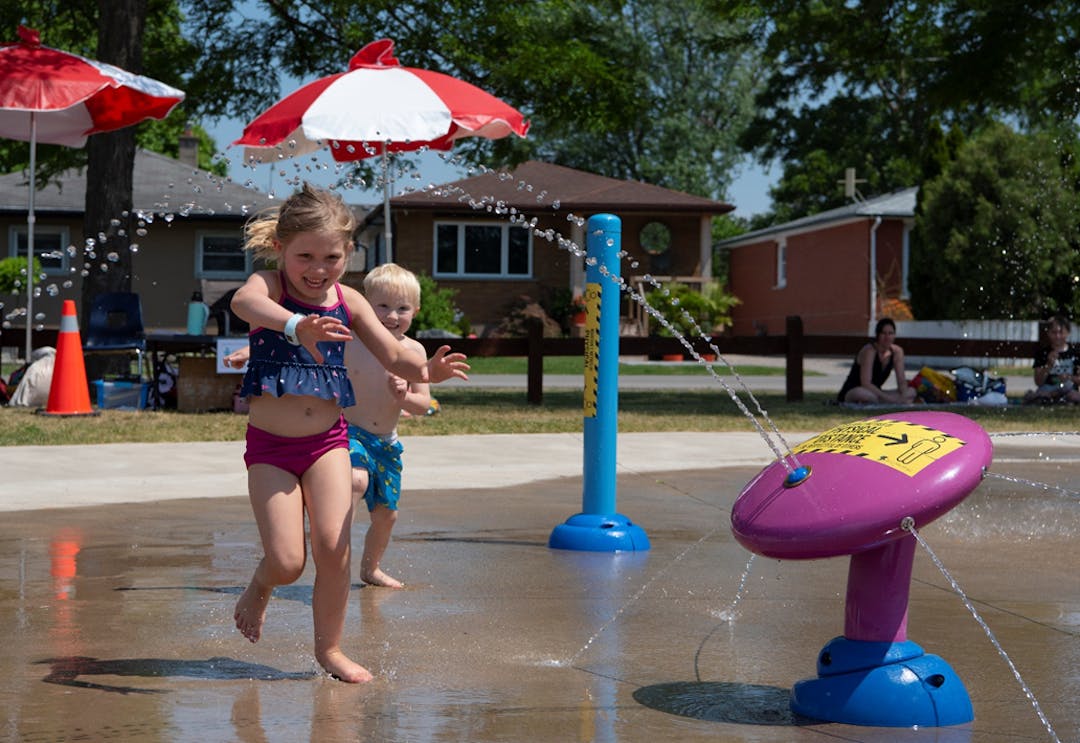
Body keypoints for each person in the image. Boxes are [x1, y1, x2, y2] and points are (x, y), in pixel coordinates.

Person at [229, 183, 468, 684]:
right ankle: (260, 584)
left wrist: (428, 372)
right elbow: (242, 304)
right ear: (281, 250)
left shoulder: (349, 300)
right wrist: (297, 325)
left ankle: (331, 650)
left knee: (335, 549)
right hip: (272, 451)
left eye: (332, 256)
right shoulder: (270, 287)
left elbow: (396, 353)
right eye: (306, 256)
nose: (318, 269)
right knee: (288, 561)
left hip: (328, 444)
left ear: (350, 253)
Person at [344, 263, 434, 589]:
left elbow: (424, 405)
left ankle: (371, 569)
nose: (392, 315)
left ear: (416, 311)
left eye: (402, 308)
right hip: (348, 431)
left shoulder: (414, 351)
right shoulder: (352, 341)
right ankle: (335, 557)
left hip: (386, 442)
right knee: (355, 480)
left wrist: (404, 396)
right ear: (366, 306)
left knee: (386, 516)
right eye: (382, 306)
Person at [837, 317, 917, 405]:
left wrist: (904, 395)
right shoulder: (869, 350)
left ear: (894, 335)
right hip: (856, 391)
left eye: (890, 333)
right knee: (866, 395)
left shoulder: (897, 351)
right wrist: (891, 399)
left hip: (877, 393)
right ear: (877, 335)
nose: (887, 337)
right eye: (883, 333)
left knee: (911, 391)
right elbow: (866, 383)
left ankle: (888, 401)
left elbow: (901, 381)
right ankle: (888, 401)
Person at [1023, 314, 1080, 404]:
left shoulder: (1076, 353)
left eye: (1061, 332)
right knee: (1042, 394)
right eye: (1054, 332)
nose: (1058, 336)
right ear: (1048, 333)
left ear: (1068, 332)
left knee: (1073, 396)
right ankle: (1050, 398)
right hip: (1047, 389)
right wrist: (1048, 365)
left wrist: (1069, 377)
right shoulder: (1042, 353)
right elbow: (1038, 382)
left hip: (1068, 390)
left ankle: (1054, 398)